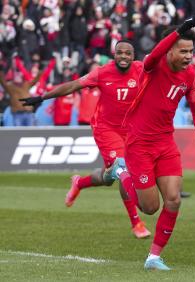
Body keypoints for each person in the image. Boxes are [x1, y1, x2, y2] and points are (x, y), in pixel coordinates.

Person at [20, 40, 151, 239]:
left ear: (134, 56)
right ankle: (136, 223)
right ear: (113, 55)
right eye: (120, 53)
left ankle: (79, 183)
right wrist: (42, 97)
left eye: (128, 54)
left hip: (131, 130)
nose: (123, 57)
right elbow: (72, 86)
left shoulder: (142, 69)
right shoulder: (102, 72)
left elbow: (173, 81)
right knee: (124, 170)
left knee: (108, 178)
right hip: (106, 129)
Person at [119, 17, 195, 270]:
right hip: (139, 143)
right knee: (150, 208)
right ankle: (123, 175)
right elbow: (154, 54)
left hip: (165, 144)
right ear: (170, 49)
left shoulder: (191, 76)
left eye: (191, 51)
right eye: (182, 51)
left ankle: (153, 257)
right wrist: (178, 31)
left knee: (173, 199)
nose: (187, 56)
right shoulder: (153, 66)